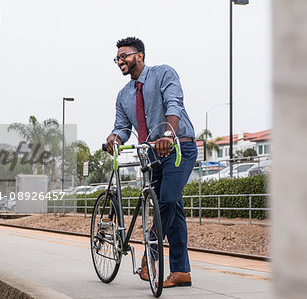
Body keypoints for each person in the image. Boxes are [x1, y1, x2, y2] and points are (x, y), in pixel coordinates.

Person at [106, 37, 197, 288]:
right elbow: (122, 127)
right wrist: (114, 138)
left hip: (179, 147)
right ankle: (181, 272)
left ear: (140, 56)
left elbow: (174, 103)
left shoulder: (163, 73)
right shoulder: (124, 95)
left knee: (166, 201)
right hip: (153, 155)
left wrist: (169, 134)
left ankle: (151, 254)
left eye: (124, 56)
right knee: (173, 210)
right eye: (117, 58)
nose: (120, 61)